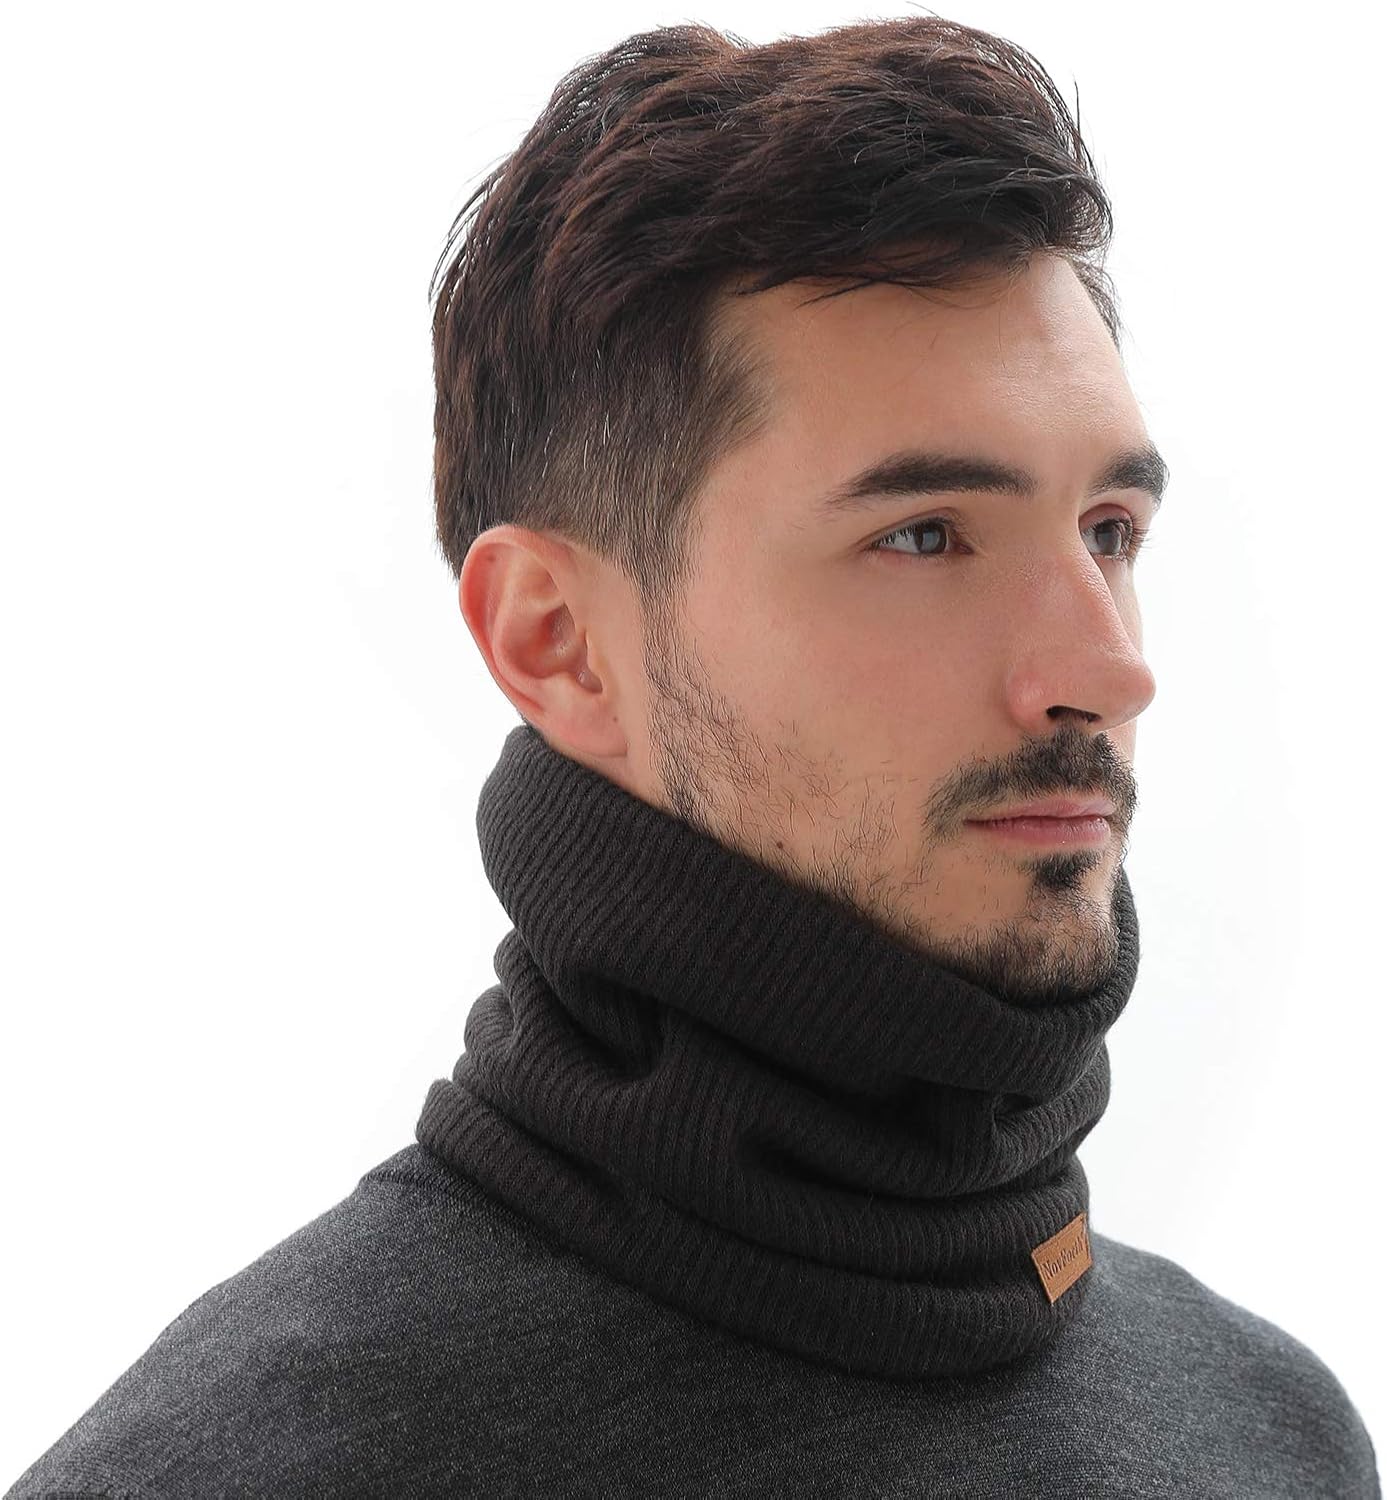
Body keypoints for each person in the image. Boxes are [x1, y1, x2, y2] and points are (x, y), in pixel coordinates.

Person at [6, 15, 1379, 1499]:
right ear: (557, 643)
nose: (1110, 671)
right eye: (926, 536)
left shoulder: (1277, 1434)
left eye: (1110, 531)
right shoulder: (233, 1473)